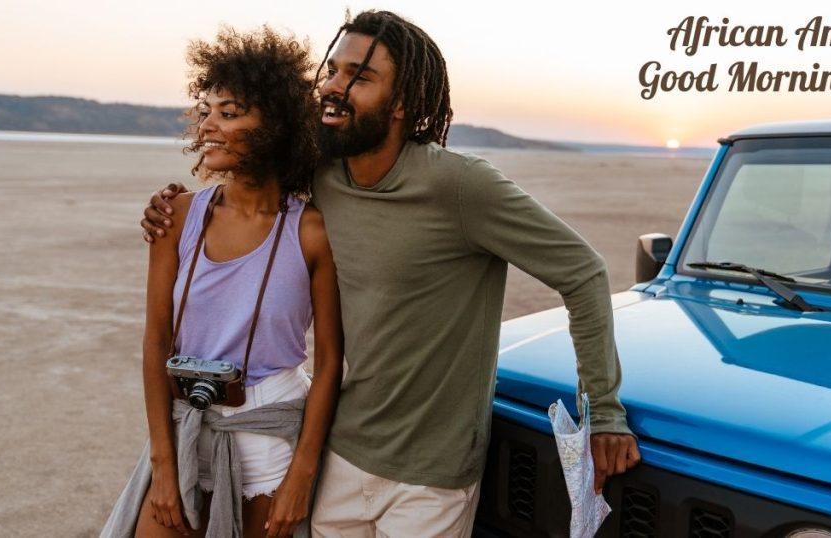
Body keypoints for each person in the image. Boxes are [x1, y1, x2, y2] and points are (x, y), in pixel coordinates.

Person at [140, 11, 639, 537]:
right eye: (332, 70)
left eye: (359, 76)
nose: (334, 86)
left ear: (400, 104)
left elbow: (583, 271)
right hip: (344, 452)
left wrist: (604, 412)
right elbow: (255, 164)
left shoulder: (462, 187)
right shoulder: (322, 178)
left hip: (431, 479)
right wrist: (170, 204)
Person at [108, 26, 343, 538]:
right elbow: (155, 340)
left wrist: (302, 474)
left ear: (275, 125)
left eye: (229, 113)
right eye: (206, 110)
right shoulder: (177, 216)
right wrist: (164, 466)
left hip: (268, 438)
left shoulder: (312, 232)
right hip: (185, 428)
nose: (207, 126)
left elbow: (328, 364)